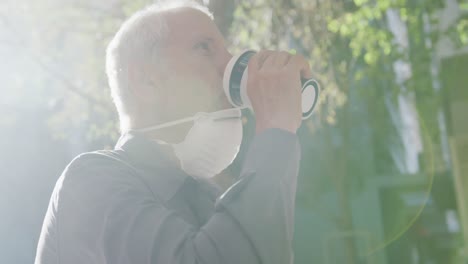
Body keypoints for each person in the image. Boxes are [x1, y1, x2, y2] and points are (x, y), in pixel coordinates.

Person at [35, 1, 312, 263]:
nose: (229, 66)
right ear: (147, 81)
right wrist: (275, 131)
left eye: (228, 54)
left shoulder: (209, 199)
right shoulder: (91, 181)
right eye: (204, 48)